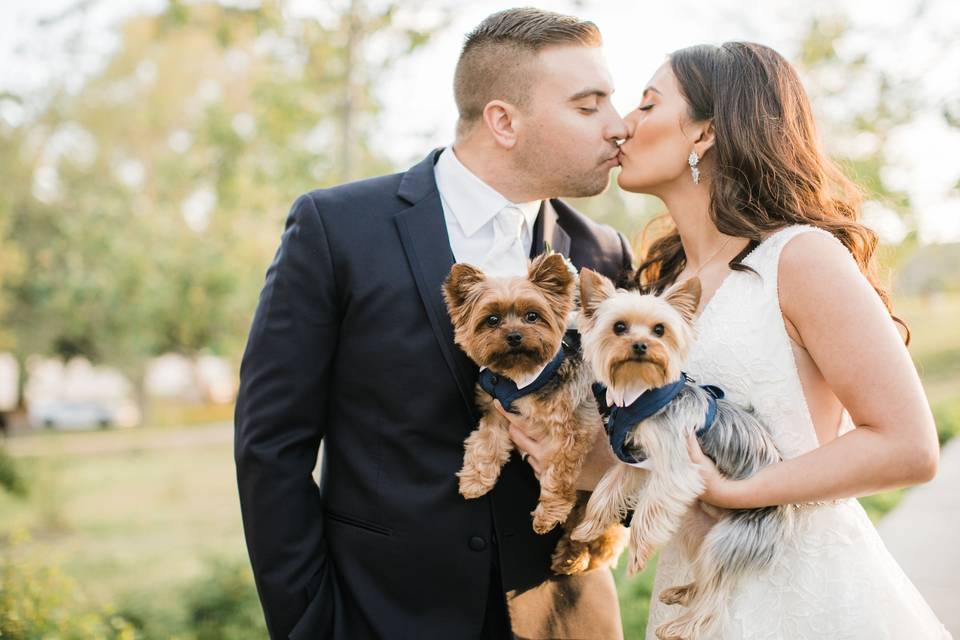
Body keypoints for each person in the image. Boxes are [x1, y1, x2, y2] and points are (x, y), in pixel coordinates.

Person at [234, 8, 632, 639]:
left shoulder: (604, 253)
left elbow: (633, 432)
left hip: (564, 618)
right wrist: (310, 625)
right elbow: (270, 448)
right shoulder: (338, 229)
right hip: (383, 613)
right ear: (503, 120)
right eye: (590, 107)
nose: (619, 127)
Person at [610, 41, 949, 638]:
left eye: (646, 104)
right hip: (692, 592)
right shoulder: (661, 293)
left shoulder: (799, 258)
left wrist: (741, 492)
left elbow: (908, 445)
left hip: (804, 594)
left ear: (704, 133)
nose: (622, 125)